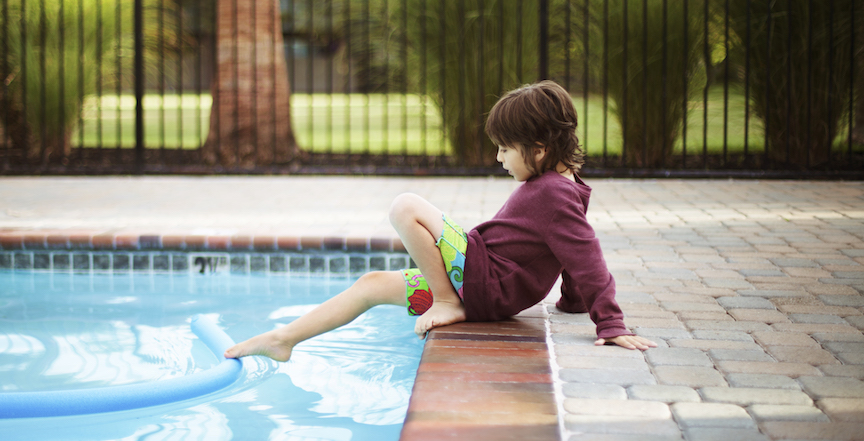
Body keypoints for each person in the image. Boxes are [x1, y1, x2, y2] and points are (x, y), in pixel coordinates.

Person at [225, 80, 656, 362]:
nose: (499, 158)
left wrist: (610, 323)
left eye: (505, 149)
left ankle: (445, 301)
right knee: (371, 285)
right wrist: (572, 302)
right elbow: (570, 252)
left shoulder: (552, 193)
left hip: (478, 280)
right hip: (479, 284)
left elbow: (585, 256)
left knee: (406, 206)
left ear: (539, 148)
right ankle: (285, 339)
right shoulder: (565, 188)